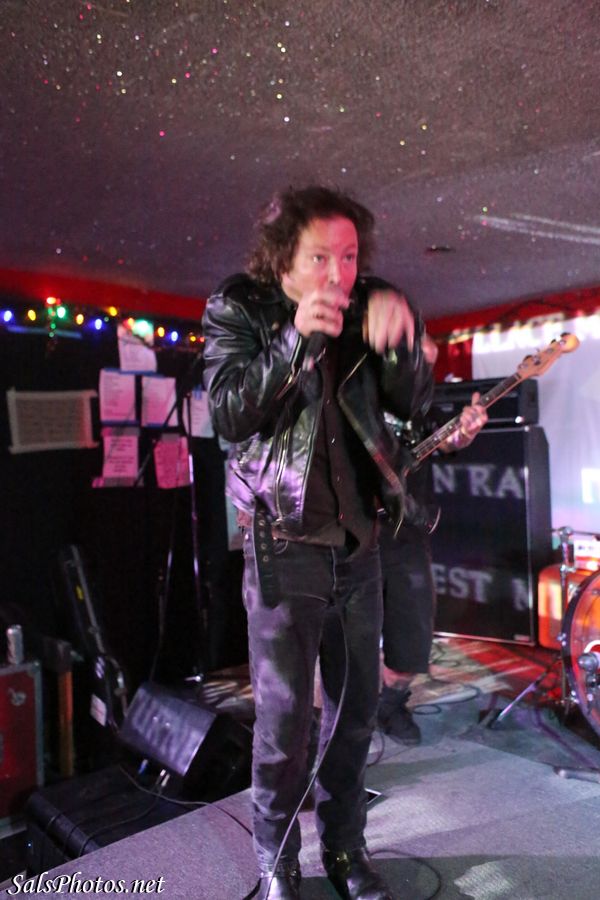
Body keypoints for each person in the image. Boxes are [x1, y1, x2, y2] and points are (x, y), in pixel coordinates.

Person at [202, 185, 433, 900]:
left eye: (350, 256)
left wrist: (403, 347)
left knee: (355, 715)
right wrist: (295, 339)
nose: (339, 273)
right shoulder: (238, 307)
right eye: (320, 258)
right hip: (283, 550)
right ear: (284, 260)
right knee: (284, 727)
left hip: (358, 546)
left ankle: (343, 846)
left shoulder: (370, 308)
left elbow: (410, 407)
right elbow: (228, 413)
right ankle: (276, 860)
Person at [377, 335, 488, 744]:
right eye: (415, 360)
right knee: (342, 640)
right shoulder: (356, 395)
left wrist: (463, 434)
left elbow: (449, 439)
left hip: (407, 533)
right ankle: (340, 718)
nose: (421, 372)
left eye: (428, 364)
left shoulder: (423, 410)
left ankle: (388, 705)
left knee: (413, 638)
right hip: (353, 534)